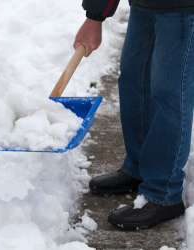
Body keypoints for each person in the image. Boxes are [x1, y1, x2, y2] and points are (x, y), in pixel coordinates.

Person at [75, 0, 194, 230]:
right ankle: (140, 167)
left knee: (170, 93)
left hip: (181, 7)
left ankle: (163, 191)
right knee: (134, 81)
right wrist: (95, 13)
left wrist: (94, 17)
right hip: (145, 4)